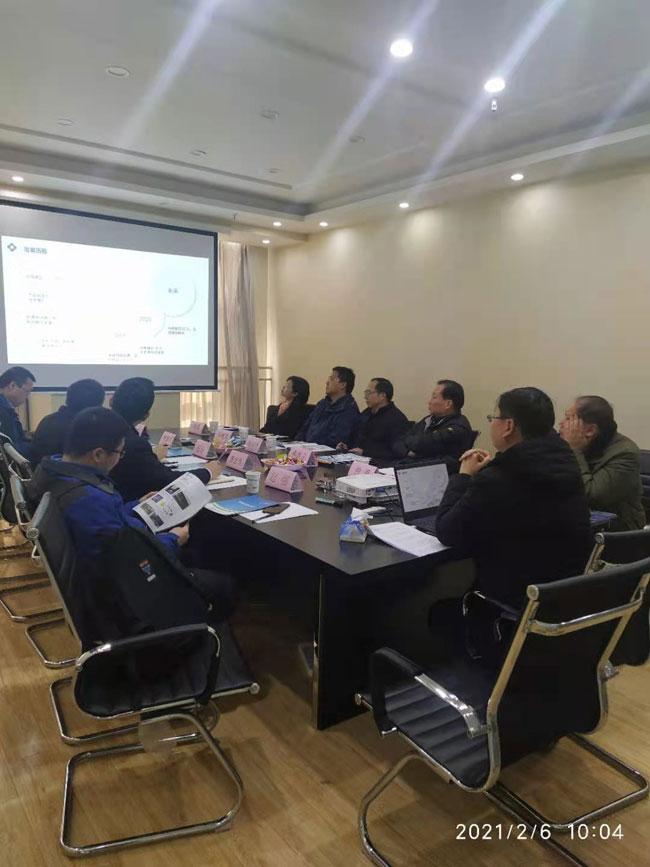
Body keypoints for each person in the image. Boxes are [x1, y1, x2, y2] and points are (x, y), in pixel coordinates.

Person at [27, 407, 235, 647]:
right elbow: (129, 563)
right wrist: (172, 540)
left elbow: (110, 529)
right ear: (98, 454)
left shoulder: (56, 472)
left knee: (195, 557)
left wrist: (137, 504)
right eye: (119, 453)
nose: (120, 459)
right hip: (122, 600)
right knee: (224, 584)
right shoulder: (88, 500)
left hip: (100, 578)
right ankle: (203, 647)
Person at [435, 387, 592, 656]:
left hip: (507, 614)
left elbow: (447, 530)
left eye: (493, 418)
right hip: (558, 608)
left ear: (508, 426)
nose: (491, 424)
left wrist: (464, 476)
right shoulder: (566, 463)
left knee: (437, 614)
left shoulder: (499, 479)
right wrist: (493, 469)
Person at [109, 377, 222, 501]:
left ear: (111, 401)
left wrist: (152, 457)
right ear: (146, 415)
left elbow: (134, 463)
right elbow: (168, 481)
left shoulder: (101, 425)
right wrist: (208, 472)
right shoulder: (134, 443)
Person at [560, 396, 644, 531]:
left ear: (590, 430)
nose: (561, 423)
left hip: (615, 530)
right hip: (575, 521)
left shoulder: (625, 453)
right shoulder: (566, 443)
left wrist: (574, 450)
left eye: (569, 419)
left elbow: (591, 497)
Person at [392, 380, 474, 472]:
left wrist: (412, 446)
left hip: (437, 474)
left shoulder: (458, 428)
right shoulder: (429, 420)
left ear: (448, 404)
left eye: (434, 397)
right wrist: (407, 452)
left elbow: (421, 444)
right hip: (411, 467)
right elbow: (400, 440)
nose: (429, 401)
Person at [30, 378, 105, 466]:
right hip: (64, 474)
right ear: (98, 406)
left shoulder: (48, 419)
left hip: (39, 472)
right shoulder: (84, 428)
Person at [337, 377, 410, 461]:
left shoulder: (397, 419)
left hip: (378, 463)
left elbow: (395, 452)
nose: (365, 397)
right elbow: (357, 436)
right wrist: (347, 447)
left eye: (369, 393)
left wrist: (365, 452)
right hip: (356, 459)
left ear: (382, 396)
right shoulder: (367, 413)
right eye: (366, 393)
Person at [296, 366, 360, 448]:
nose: (327, 382)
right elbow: (305, 427)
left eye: (332, 379)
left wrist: (310, 447)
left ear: (343, 385)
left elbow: (335, 440)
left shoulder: (349, 410)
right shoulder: (322, 403)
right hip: (307, 448)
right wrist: (297, 444)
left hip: (323, 452)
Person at [0, 366, 36, 458]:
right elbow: (12, 451)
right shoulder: (3, 412)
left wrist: (23, 435)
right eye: (27, 391)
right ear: (12, 386)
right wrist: (37, 445)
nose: (27, 396)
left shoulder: (5, 407)